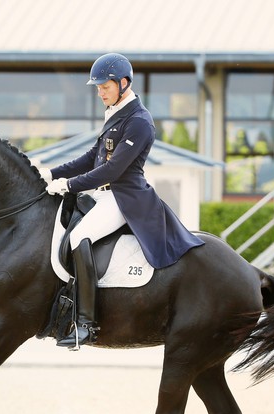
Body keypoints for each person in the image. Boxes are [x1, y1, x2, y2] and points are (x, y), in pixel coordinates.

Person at [38, 53, 204, 348]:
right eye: (98, 88)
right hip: (102, 196)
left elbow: (113, 169)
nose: (100, 92)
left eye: (104, 87)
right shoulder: (116, 113)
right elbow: (92, 158)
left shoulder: (139, 121)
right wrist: (50, 174)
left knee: (79, 237)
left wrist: (69, 185)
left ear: (123, 83)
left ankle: (85, 324)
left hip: (124, 197)